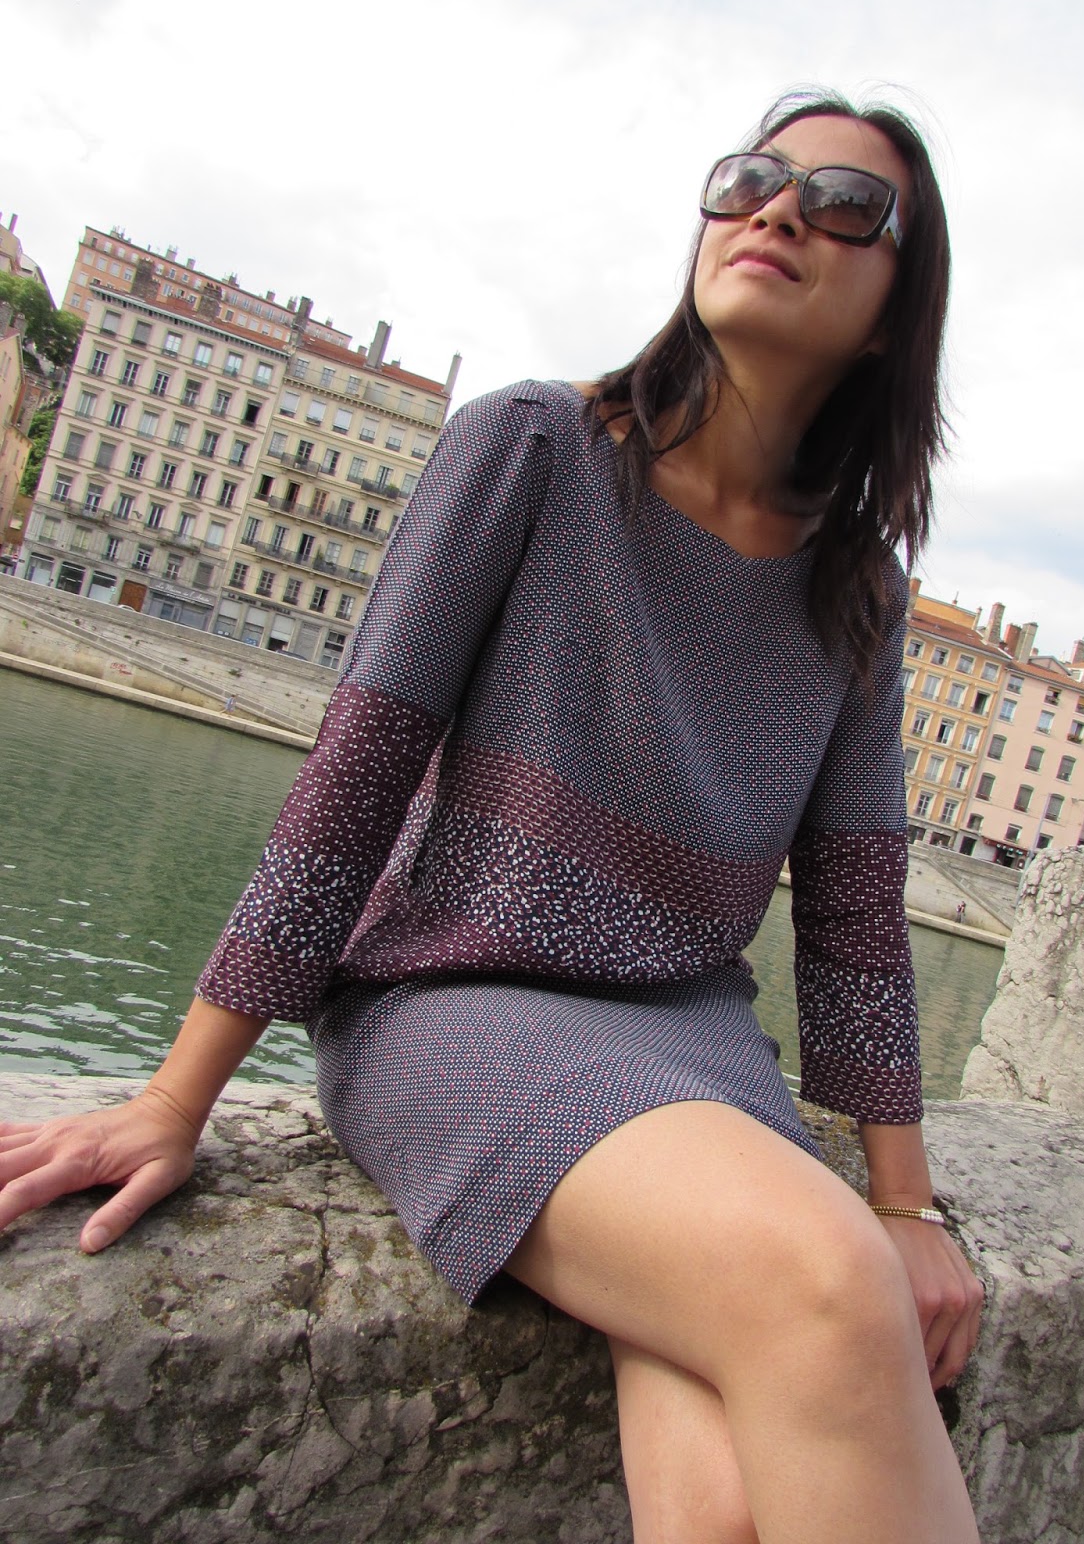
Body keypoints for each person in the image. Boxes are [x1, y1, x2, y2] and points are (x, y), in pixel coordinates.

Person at [0, 89, 984, 1542]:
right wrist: (173, 1101)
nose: (778, 210)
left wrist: (908, 1204)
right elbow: (354, 784)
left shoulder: (861, 589)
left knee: (727, 1501)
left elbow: (852, 913)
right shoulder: (533, 447)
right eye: (749, 180)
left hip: (693, 1038)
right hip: (454, 999)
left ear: (899, 312)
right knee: (829, 1291)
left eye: (845, 206)